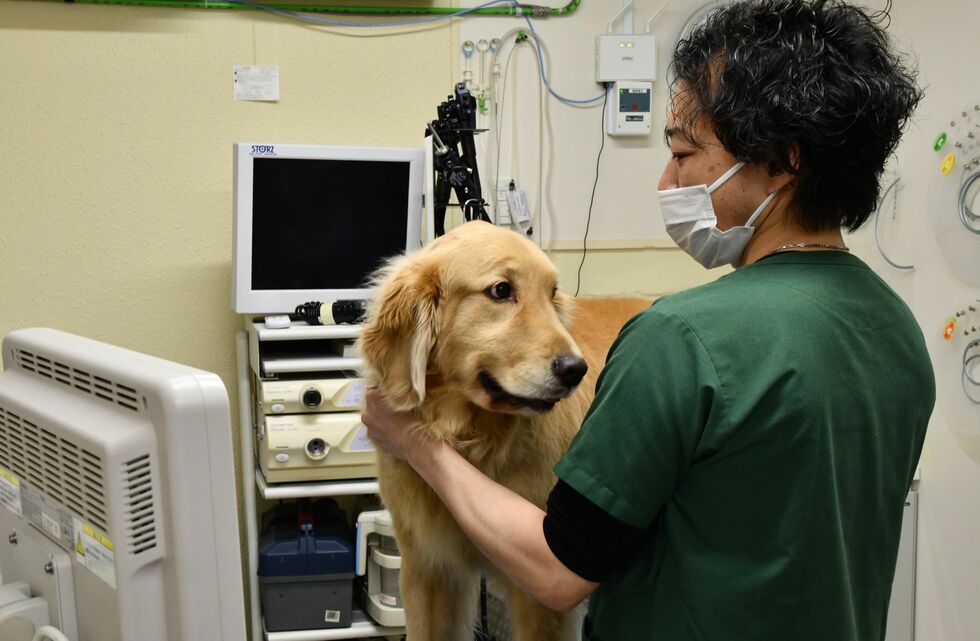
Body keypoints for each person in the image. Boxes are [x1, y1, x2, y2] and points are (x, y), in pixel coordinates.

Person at [361, 0, 932, 638]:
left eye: (684, 153)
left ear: (782, 160)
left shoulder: (679, 340)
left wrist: (414, 443)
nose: (667, 180)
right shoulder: (897, 331)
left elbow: (558, 570)